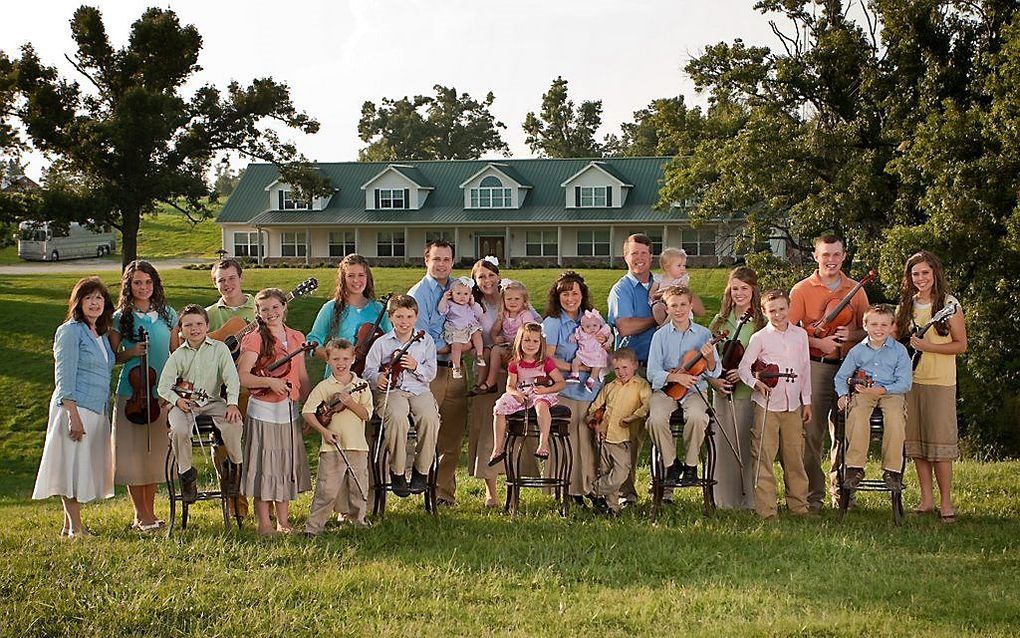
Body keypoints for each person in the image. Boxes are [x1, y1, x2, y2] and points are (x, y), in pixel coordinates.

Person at [788, 235, 869, 512]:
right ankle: (813, 495)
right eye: (826, 255)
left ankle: (844, 493)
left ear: (843, 256)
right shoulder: (801, 290)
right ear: (815, 256)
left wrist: (854, 334)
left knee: (845, 434)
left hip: (848, 368)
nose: (831, 260)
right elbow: (787, 331)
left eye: (836, 255)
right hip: (816, 366)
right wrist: (818, 342)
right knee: (812, 434)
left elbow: (870, 330)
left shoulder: (856, 290)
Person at [32, 277, 116, 538]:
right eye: (88, 297)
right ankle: (76, 529)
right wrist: (72, 415)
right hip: (75, 408)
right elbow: (64, 375)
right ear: (78, 302)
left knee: (79, 466)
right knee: (71, 468)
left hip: (95, 409)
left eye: (99, 298)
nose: (94, 303)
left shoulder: (99, 334)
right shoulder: (70, 331)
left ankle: (70, 525)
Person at [895, 251, 967, 523]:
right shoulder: (907, 306)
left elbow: (961, 344)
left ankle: (946, 502)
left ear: (935, 273)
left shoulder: (949, 305)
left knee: (939, 445)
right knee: (918, 444)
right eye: (915, 274)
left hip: (940, 382)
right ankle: (926, 499)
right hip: (911, 382)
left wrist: (929, 346)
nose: (921, 278)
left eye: (925, 272)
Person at [109, 260, 180, 532]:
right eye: (137, 282)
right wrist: (132, 352)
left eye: (148, 282)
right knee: (132, 455)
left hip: (160, 394)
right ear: (129, 285)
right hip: (132, 393)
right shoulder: (120, 317)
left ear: (155, 284)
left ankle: (149, 513)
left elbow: (176, 353)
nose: (143, 287)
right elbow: (113, 357)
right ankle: (142, 516)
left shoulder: (167, 314)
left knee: (153, 455)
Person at [237, 288, 312, 535]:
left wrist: (309, 407)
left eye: (275, 307)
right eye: (264, 309)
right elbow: (244, 377)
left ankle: (284, 522)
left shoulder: (296, 337)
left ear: (284, 307)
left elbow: (301, 375)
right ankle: (265, 524)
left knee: (283, 467)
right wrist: (270, 382)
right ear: (258, 313)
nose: (271, 313)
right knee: (265, 467)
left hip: (288, 411)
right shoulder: (255, 338)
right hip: (263, 412)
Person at [157, 305, 243, 504]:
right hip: (185, 403)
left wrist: (232, 404)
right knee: (179, 429)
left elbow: (232, 379)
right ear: (181, 329)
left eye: (198, 324)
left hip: (213, 401)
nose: (194, 329)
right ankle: (187, 475)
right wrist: (178, 401)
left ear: (207, 326)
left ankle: (234, 469)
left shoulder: (220, 349)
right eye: (188, 325)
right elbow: (163, 387)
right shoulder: (178, 355)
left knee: (234, 423)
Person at [737, 289, 812, 519]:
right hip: (768, 405)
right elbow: (743, 368)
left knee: (794, 456)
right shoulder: (760, 337)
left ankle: (799, 507)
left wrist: (806, 401)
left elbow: (805, 369)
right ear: (764, 311)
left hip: (793, 406)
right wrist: (756, 384)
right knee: (763, 457)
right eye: (772, 311)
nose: (778, 315)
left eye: (781, 309)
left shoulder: (800, 335)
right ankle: (767, 510)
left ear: (789, 308)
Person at [364, 294, 441, 498]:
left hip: (419, 389)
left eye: (408, 317)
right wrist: (378, 378)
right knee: (397, 417)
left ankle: (421, 471)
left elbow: (431, 373)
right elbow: (368, 371)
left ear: (416, 317)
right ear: (390, 317)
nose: (404, 322)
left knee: (430, 418)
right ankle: (397, 471)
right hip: (392, 391)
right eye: (399, 317)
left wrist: (416, 367)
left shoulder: (425, 341)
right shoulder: (382, 343)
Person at [408, 240, 467, 506]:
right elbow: (420, 338)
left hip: (456, 369)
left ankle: (444, 494)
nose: (441, 264)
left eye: (446, 259)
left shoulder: (460, 288)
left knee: (452, 436)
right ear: (426, 261)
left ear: (452, 262)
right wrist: (452, 345)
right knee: (429, 433)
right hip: (431, 372)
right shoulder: (418, 294)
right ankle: (425, 487)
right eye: (436, 259)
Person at [646, 285, 721, 489]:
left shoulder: (704, 334)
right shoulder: (659, 336)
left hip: (696, 390)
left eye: (683, 305)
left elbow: (714, 372)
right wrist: (675, 377)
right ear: (667, 309)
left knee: (697, 416)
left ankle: (690, 465)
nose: (678, 310)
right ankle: (671, 465)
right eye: (673, 306)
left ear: (690, 306)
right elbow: (652, 372)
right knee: (655, 419)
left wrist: (710, 358)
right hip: (666, 390)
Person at [542, 271, 607, 506]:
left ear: (583, 295)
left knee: (588, 440)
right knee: (568, 439)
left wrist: (604, 346)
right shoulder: (553, 322)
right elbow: (547, 359)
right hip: (565, 389)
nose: (570, 298)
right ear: (557, 296)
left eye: (575, 293)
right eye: (565, 293)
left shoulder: (592, 319)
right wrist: (574, 367)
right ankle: (567, 490)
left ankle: (590, 487)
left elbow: (608, 348)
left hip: (592, 390)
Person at [834, 304, 913, 492]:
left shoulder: (899, 351)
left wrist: (883, 390)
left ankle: (892, 471)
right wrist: (843, 394)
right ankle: (855, 468)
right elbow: (841, 377)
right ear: (865, 325)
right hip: (864, 391)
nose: (879, 329)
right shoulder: (857, 351)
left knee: (895, 417)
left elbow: (905, 383)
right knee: (858, 414)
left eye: (884, 325)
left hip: (890, 392)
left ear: (892, 326)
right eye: (874, 324)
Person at [707, 267, 765, 510]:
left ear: (753, 290)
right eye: (735, 288)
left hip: (749, 393)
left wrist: (745, 375)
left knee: (747, 445)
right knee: (723, 445)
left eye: (744, 288)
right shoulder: (720, 321)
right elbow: (708, 358)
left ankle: (750, 500)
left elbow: (767, 357)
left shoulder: (762, 322)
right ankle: (724, 500)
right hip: (723, 392)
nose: (739, 293)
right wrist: (715, 381)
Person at [302, 339, 374, 534]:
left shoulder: (362, 385)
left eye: (345, 359)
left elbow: (366, 415)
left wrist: (350, 402)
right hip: (332, 446)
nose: (340, 363)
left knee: (358, 487)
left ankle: (358, 521)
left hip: (358, 445)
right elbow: (307, 412)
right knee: (327, 489)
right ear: (328, 361)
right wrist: (324, 432)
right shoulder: (325, 386)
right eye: (335, 359)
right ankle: (314, 527)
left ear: (353, 359)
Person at [488, 322, 566, 464]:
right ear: (520, 341)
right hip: (522, 393)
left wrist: (547, 390)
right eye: (527, 340)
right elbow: (510, 386)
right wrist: (516, 393)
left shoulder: (545, 362)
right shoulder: (515, 363)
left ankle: (543, 444)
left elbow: (561, 383)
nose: (531, 344)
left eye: (535, 341)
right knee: (499, 408)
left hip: (540, 391)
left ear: (541, 343)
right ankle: (498, 448)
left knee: (541, 405)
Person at [586, 349, 651, 516]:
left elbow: (647, 406)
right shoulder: (610, 387)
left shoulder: (641, 385)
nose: (621, 372)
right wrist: (595, 423)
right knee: (606, 470)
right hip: (605, 437)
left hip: (625, 439)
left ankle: (594, 490)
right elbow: (595, 408)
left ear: (635, 366)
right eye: (617, 369)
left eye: (625, 367)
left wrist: (632, 417)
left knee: (621, 473)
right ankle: (611, 508)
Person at [307, 254, 391, 379]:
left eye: (361, 275)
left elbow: (391, 340)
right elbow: (313, 341)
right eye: (350, 276)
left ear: (367, 277)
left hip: (371, 377)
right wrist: (335, 360)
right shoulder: (331, 307)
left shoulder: (378, 309)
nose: (356, 280)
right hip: (338, 377)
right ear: (343, 279)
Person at [474, 279, 542, 395]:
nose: (513, 302)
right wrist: (495, 337)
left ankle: (491, 382)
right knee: (492, 350)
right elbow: (495, 330)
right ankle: (487, 381)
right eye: (509, 299)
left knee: (496, 350)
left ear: (524, 301)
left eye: (517, 299)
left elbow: (529, 334)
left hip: (522, 349)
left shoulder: (525, 315)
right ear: (503, 301)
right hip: (508, 347)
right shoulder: (504, 315)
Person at [438, 276, 486, 379]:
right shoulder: (450, 304)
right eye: (458, 294)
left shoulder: (469, 305)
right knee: (456, 345)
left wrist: (473, 303)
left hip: (469, 327)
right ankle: (456, 367)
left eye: (466, 294)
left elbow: (479, 314)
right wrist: (444, 299)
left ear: (470, 295)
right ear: (451, 293)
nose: (462, 297)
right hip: (456, 329)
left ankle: (479, 355)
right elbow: (441, 310)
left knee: (477, 333)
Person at [650, 247, 706, 324]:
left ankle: (664, 326)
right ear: (667, 267)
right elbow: (652, 293)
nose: (682, 268)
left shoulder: (682, 280)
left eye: (684, 265)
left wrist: (667, 291)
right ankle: (663, 327)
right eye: (679, 266)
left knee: (675, 308)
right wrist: (655, 295)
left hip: (678, 305)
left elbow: (683, 292)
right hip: (663, 304)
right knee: (656, 308)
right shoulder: (659, 279)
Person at [205, 258, 255, 333]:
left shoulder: (261, 309)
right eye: (221, 280)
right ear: (215, 284)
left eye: (232, 278)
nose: (227, 284)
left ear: (241, 278)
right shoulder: (207, 315)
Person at [569, 308, 612, 392]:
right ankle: (575, 375)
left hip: (596, 354)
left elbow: (610, 335)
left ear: (599, 324)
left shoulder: (601, 332)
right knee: (575, 361)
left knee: (597, 367)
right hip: (583, 353)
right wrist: (573, 336)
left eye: (595, 325)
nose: (592, 328)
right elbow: (575, 335)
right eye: (588, 326)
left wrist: (608, 342)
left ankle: (590, 381)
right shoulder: (581, 332)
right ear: (582, 327)